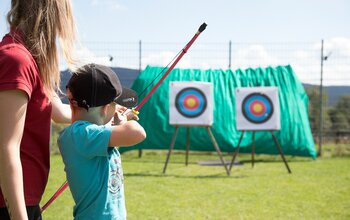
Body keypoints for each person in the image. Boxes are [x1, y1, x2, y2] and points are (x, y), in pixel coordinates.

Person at [0, 0, 76, 219]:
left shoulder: (30, 61)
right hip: (11, 206)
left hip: (23, 203)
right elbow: (6, 148)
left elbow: (61, 113)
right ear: (50, 12)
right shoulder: (17, 60)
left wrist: (106, 116)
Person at [58, 63, 146, 220]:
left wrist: (116, 124)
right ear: (106, 108)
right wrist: (124, 122)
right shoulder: (81, 135)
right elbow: (138, 133)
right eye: (115, 103)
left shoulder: (84, 136)